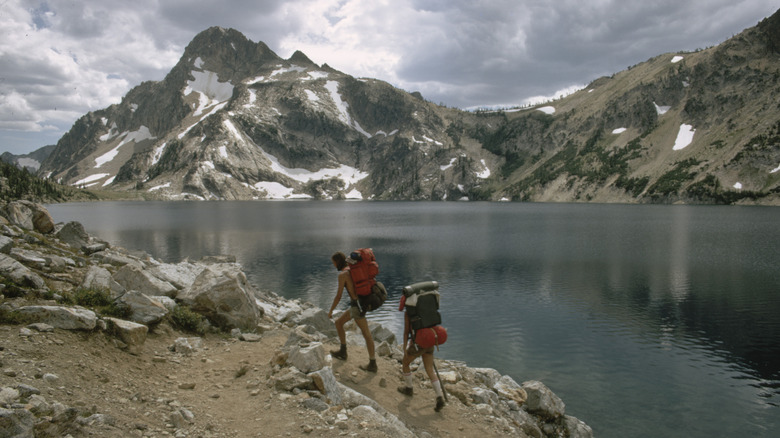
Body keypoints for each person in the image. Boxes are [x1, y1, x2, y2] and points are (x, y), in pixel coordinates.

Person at [327, 251, 377, 372]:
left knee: (366, 333)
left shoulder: (343, 275)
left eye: (334, 263)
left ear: (338, 262)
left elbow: (338, 296)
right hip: (361, 303)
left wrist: (330, 311)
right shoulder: (352, 269)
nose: (334, 266)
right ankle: (343, 352)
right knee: (339, 323)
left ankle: (372, 363)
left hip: (357, 306)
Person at [397, 303, 446, 412]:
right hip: (430, 342)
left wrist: (405, 348)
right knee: (430, 370)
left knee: (405, 363)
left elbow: (406, 332)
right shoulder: (428, 307)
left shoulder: (409, 313)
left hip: (418, 344)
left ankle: (409, 388)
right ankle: (439, 397)